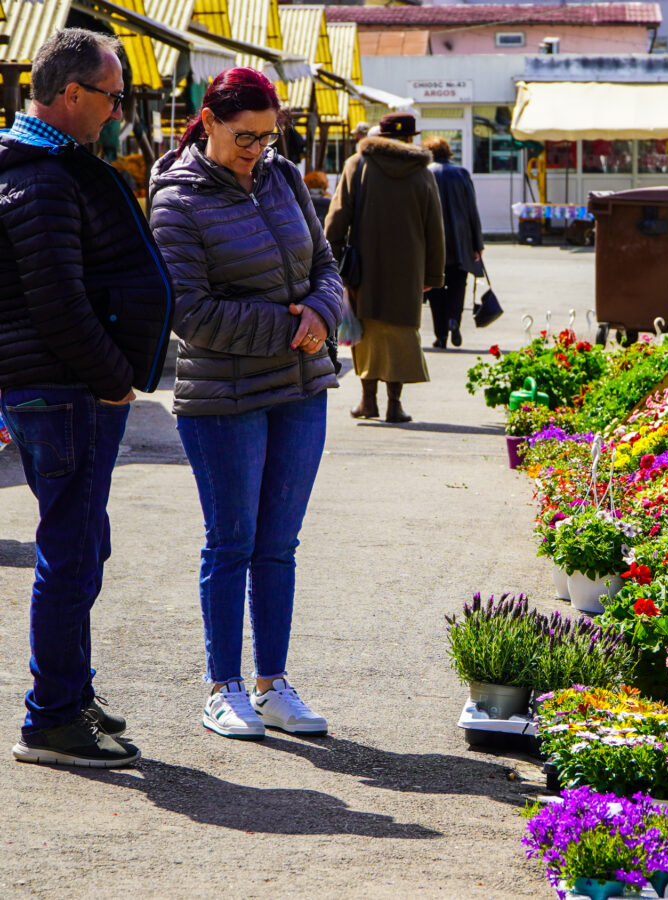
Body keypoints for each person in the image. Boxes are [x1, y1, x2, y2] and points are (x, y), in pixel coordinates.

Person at [149, 68, 341, 741]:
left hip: (301, 388)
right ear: (207, 122)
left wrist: (320, 310)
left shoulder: (285, 178)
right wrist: (292, 328)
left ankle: (273, 685)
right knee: (230, 544)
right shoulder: (176, 200)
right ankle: (222, 687)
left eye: (267, 136)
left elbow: (325, 262)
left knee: (278, 546)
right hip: (222, 397)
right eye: (243, 137)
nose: (256, 149)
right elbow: (190, 313)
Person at [0, 29, 173, 768]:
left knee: (82, 544)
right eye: (110, 96)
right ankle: (52, 718)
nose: (115, 111)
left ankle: (71, 689)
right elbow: (57, 301)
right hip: (64, 389)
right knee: (71, 552)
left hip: (59, 386)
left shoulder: (41, 168)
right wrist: (113, 378)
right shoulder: (39, 179)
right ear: (70, 93)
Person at [326, 112, 445, 423]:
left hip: (364, 270)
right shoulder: (423, 172)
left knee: (365, 332)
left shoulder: (357, 164)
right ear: (409, 138)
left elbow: (336, 219)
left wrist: (328, 262)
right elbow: (435, 229)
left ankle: (368, 401)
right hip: (408, 271)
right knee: (401, 333)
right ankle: (395, 403)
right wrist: (433, 275)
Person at [425, 135, 484, 350]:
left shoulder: (426, 172)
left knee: (435, 288)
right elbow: (472, 210)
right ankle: (454, 321)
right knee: (459, 283)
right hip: (461, 240)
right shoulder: (461, 173)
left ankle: (440, 335)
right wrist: (478, 243)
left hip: (432, 242)